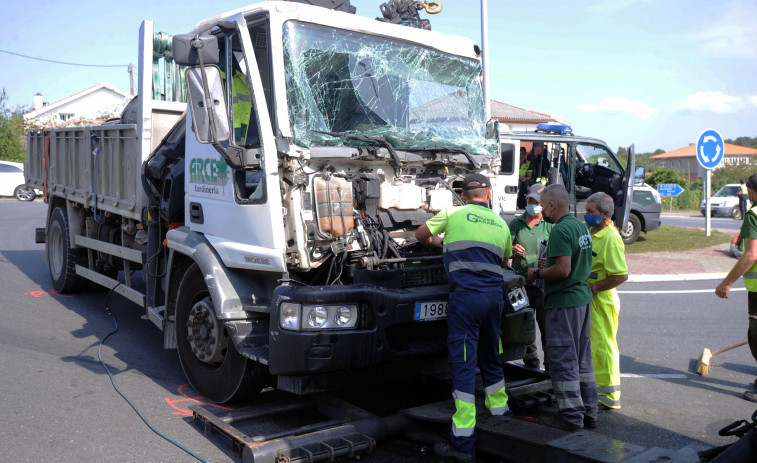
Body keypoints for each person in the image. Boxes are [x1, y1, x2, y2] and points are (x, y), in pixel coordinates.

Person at [415, 173, 513, 463]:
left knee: (463, 362)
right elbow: (505, 260)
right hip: (493, 300)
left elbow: (420, 235)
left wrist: (442, 243)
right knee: (491, 355)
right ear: (488, 193)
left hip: (465, 299)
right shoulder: (500, 223)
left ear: (463, 193)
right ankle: (502, 415)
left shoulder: (452, 213)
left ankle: (462, 442)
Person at [526, 184, 598, 430]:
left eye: (542, 204)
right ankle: (589, 411)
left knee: (563, 360)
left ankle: (571, 417)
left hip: (564, 303)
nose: (540, 208)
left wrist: (536, 272)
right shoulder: (580, 226)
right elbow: (573, 262)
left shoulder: (560, 230)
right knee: (582, 359)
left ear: (551, 205)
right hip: (582, 299)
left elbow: (562, 270)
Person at [585, 192, 628, 410]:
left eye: (591, 212)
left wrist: (593, 288)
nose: (586, 215)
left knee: (603, 347)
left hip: (601, 300)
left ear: (605, 213)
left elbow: (620, 275)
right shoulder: (594, 232)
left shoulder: (610, 238)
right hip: (592, 299)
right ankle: (597, 391)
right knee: (594, 347)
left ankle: (609, 397)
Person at [716, 173, 757, 402]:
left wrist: (727, 282)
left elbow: (751, 255)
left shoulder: (753, 215)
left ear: (751, 191)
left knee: (756, 336)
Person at [509, 183, 553, 369]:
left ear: (543, 204)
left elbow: (559, 252)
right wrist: (512, 249)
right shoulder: (516, 224)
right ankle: (531, 362)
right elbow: (506, 253)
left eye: (537, 201)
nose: (533, 204)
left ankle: (550, 364)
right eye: (530, 200)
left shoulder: (551, 224)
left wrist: (549, 260)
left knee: (547, 326)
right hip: (522, 283)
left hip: (543, 283)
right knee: (525, 325)